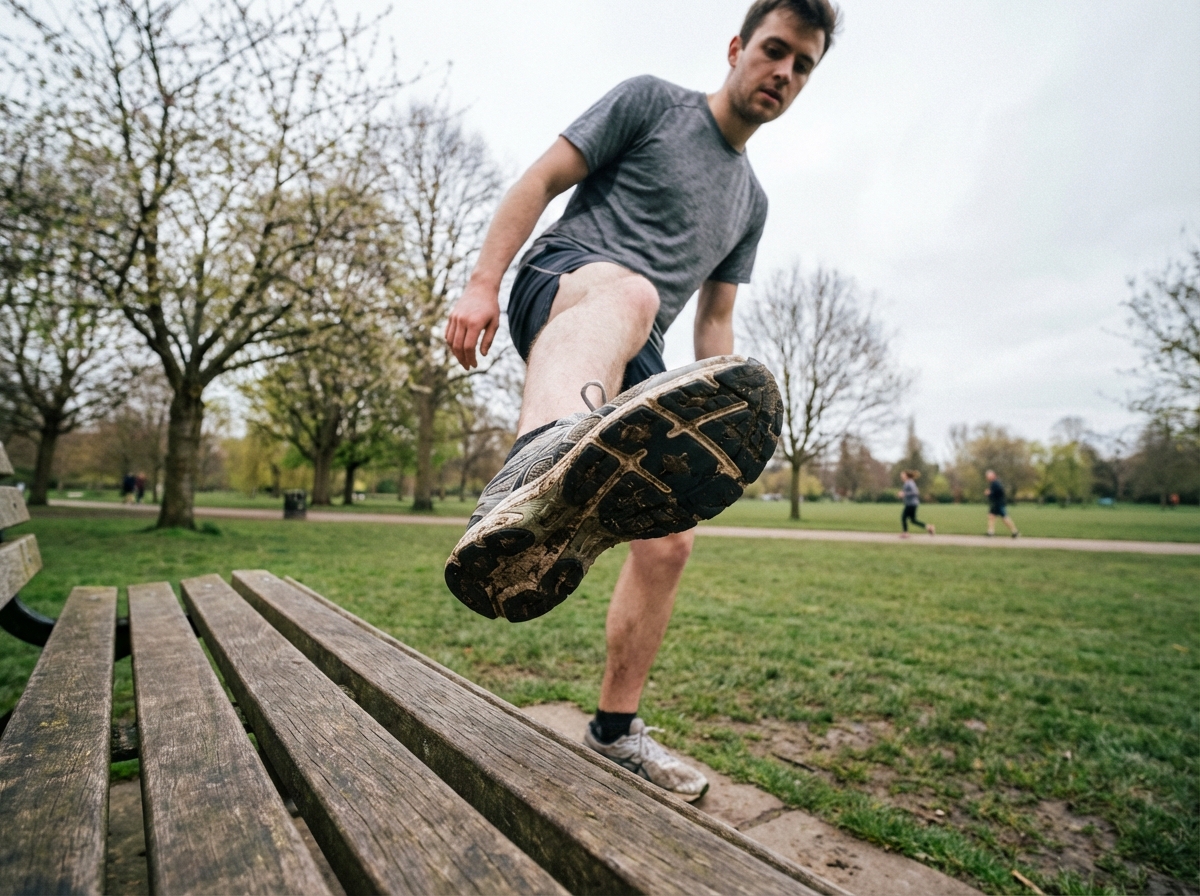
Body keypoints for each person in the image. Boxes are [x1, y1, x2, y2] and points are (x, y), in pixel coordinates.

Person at [444, 0, 840, 801]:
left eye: (803, 66)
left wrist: (726, 431)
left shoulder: (751, 203)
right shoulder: (652, 101)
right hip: (566, 282)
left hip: (641, 343)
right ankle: (531, 469)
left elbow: (716, 322)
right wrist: (482, 284)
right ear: (736, 47)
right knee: (629, 294)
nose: (784, 74)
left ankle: (615, 731)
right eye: (774, 51)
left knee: (670, 541)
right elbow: (541, 178)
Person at [897, 470, 934, 537]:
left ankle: (905, 533)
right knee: (913, 520)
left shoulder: (909, 482)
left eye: (902, 475)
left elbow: (915, 492)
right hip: (912, 503)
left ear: (906, 475)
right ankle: (929, 527)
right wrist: (902, 495)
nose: (901, 476)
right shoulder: (909, 482)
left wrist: (904, 494)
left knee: (903, 517)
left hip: (911, 504)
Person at [985, 469, 1019, 537]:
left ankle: (1015, 531)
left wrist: (989, 493)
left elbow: (999, 493)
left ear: (993, 476)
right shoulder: (994, 483)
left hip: (998, 504)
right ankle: (990, 532)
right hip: (996, 503)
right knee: (991, 516)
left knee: (1005, 518)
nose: (987, 477)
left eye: (988, 476)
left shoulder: (996, 484)